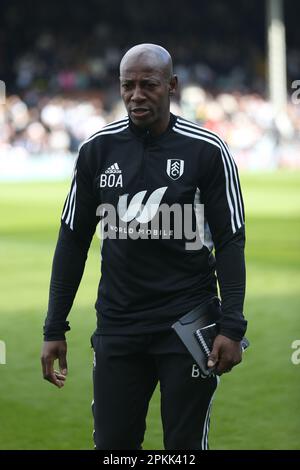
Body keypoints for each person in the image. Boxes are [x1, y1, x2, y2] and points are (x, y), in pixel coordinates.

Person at [41, 43, 247, 450]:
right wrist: (54, 326)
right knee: (113, 447)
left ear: (172, 86)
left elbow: (230, 239)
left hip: (186, 325)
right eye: (127, 86)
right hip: (119, 326)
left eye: (148, 85)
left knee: (184, 447)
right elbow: (72, 239)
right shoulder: (97, 150)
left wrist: (233, 326)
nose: (136, 95)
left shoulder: (206, 150)